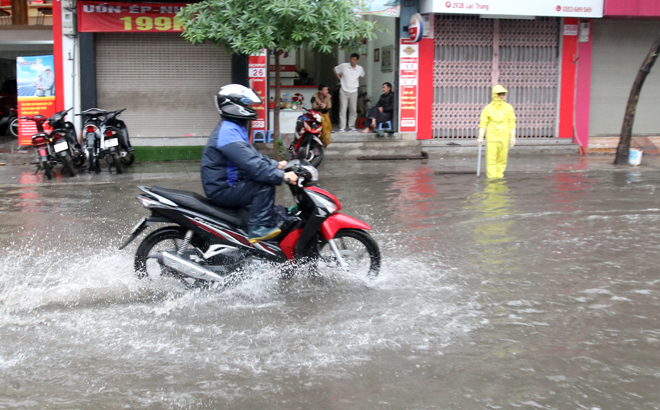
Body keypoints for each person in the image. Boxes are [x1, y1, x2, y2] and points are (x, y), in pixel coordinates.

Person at [201, 84, 298, 244]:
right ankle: (257, 229)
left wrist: (276, 165)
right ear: (233, 106)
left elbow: (252, 156)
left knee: (277, 208)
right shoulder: (228, 132)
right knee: (263, 185)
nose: (249, 108)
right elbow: (252, 165)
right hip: (222, 190)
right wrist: (282, 176)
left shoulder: (233, 128)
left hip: (230, 184)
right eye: (245, 105)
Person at [478, 85, 516, 179]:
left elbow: (512, 122)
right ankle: (491, 179)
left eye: (503, 94)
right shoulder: (488, 108)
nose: (501, 96)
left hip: (504, 137)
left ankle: (499, 177)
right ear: (495, 95)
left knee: (502, 159)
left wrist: (512, 136)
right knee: (491, 160)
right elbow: (483, 123)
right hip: (492, 138)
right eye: (499, 94)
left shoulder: (508, 108)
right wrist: (481, 136)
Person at [333, 53, 365, 132]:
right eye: (351, 59)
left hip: (354, 90)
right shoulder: (344, 66)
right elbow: (335, 69)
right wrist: (340, 78)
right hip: (344, 90)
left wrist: (355, 80)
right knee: (343, 109)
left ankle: (351, 127)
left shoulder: (360, 68)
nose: (352, 61)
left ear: (357, 60)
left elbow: (361, 75)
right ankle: (342, 127)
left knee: (353, 110)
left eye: (354, 60)